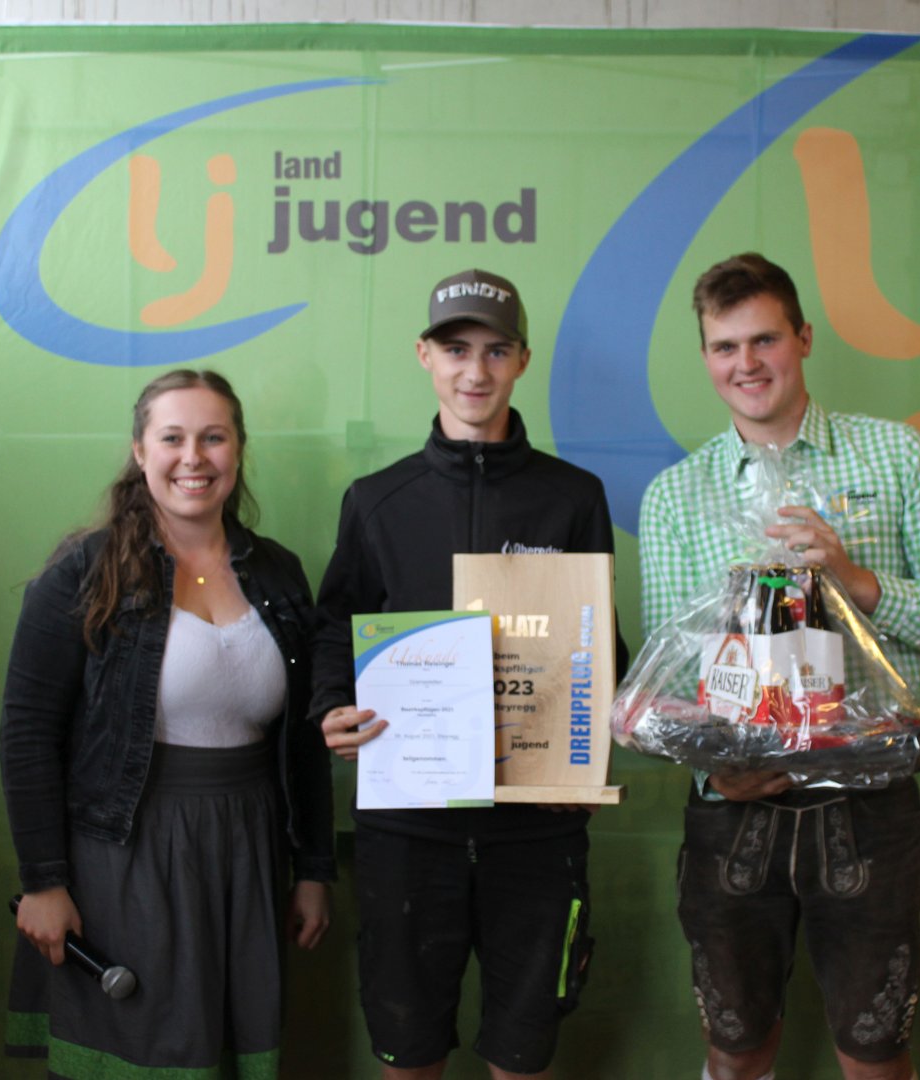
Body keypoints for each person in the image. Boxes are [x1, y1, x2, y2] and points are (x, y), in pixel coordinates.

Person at [638, 253, 920, 1080]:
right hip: (734, 809)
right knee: (735, 1055)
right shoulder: (676, 496)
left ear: (803, 337)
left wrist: (854, 579)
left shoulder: (895, 457)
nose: (746, 363)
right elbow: (669, 682)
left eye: (764, 339)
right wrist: (714, 767)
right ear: (706, 357)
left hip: (869, 802)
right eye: (725, 346)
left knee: (875, 1060)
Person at [312, 268, 619, 1080]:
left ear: (523, 360)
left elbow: (598, 646)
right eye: (455, 350)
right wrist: (332, 704)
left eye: (495, 351)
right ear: (425, 355)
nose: (474, 371)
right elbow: (336, 625)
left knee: (523, 1056)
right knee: (408, 1054)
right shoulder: (376, 500)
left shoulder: (573, 498)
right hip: (408, 833)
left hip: (539, 832)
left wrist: (599, 734)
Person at [0, 369, 334, 1078]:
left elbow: (304, 740)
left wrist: (311, 869)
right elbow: (27, 733)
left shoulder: (279, 572)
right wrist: (43, 881)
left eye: (213, 437)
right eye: (173, 438)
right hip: (125, 854)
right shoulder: (85, 572)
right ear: (140, 451)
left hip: (248, 849)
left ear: (238, 449)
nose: (194, 458)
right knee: (142, 1048)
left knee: (228, 1051)